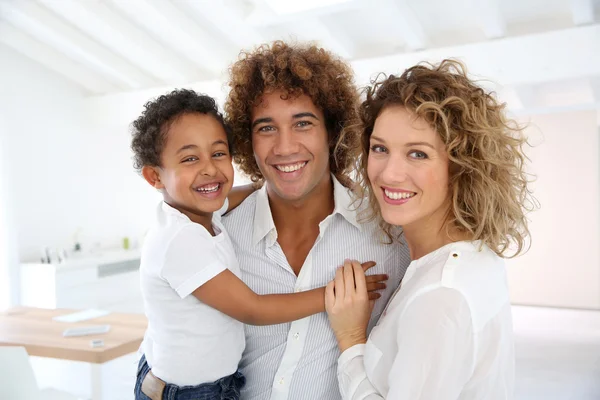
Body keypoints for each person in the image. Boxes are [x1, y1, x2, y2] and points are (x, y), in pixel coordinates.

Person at [129, 89, 387, 400]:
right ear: (154, 177)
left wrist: (300, 175)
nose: (209, 169)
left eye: (218, 153)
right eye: (189, 158)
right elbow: (253, 308)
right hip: (190, 392)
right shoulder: (181, 239)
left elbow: (234, 193)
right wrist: (332, 295)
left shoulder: (203, 212)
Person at [325, 60, 536, 399]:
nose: (389, 174)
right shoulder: (475, 256)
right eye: (380, 149)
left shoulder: (441, 298)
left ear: (463, 167)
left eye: (418, 154)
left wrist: (351, 340)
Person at [222, 41, 411, 399]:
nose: (285, 147)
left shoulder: (389, 240)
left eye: (303, 123)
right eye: (266, 128)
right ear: (248, 140)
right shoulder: (221, 235)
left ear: (332, 131)